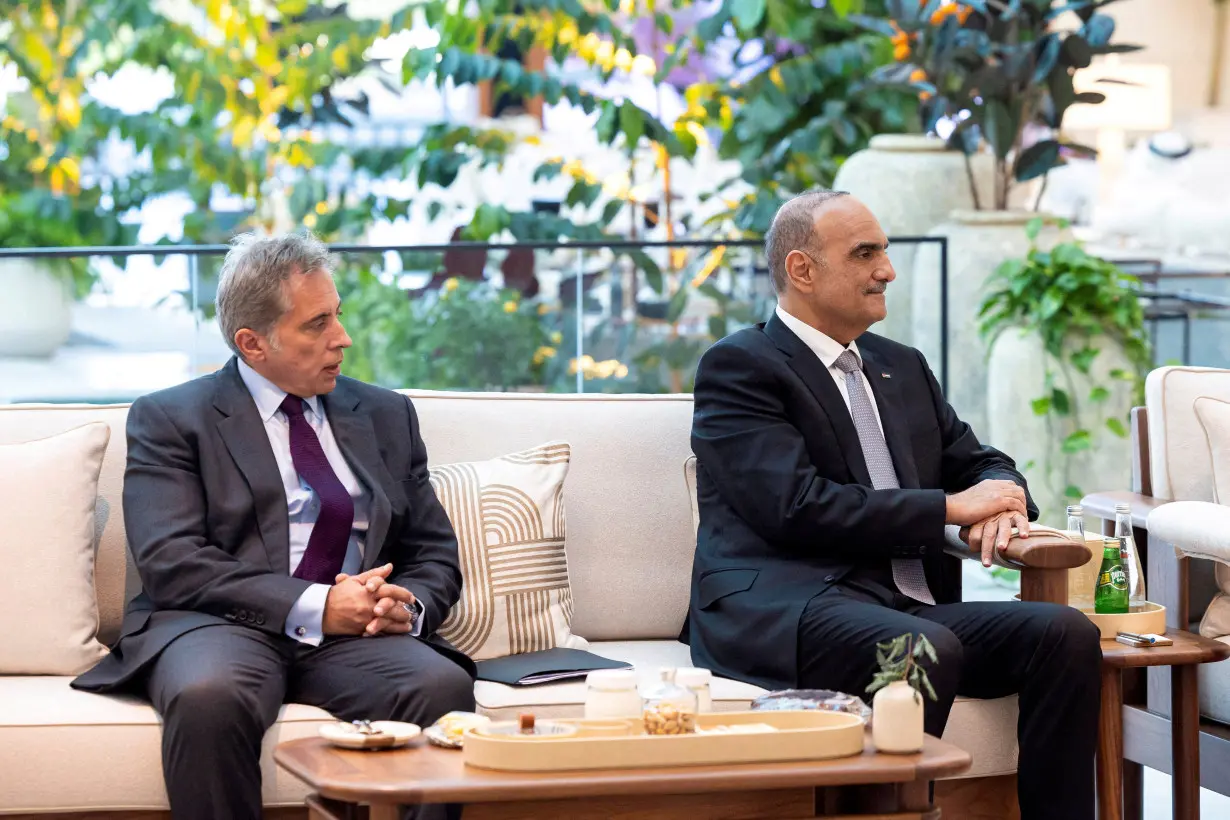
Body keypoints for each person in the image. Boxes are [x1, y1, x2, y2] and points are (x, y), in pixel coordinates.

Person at [685, 191, 1101, 820]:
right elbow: (795, 507)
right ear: (801, 270)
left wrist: (1004, 503)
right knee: (919, 648)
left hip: (908, 606)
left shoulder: (899, 366)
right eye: (865, 253)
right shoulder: (741, 367)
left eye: (884, 250)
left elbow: (979, 461)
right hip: (786, 608)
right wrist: (950, 509)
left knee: (1063, 633)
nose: (887, 269)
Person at [73, 233, 476, 820]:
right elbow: (172, 559)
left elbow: (434, 551)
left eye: (338, 314)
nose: (343, 337)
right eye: (317, 324)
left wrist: (405, 606)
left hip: (355, 640)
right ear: (252, 342)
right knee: (209, 697)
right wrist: (316, 603)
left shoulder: (387, 415)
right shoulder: (172, 418)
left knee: (440, 687)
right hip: (217, 627)